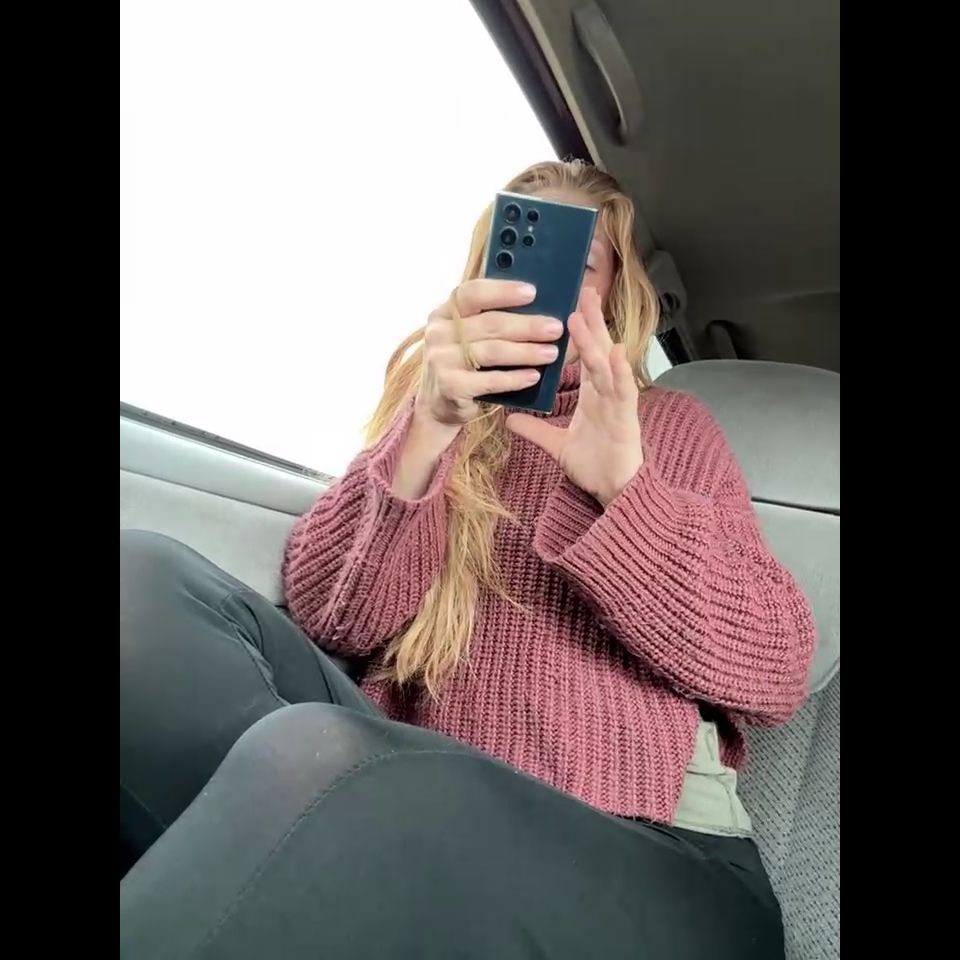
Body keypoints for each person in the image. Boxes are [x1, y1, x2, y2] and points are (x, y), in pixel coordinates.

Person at [120, 160, 815, 959]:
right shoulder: (435, 409)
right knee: (139, 587)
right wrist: (428, 429)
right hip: (412, 784)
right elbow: (334, 616)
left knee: (335, 771)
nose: (540, 285)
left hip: (657, 853)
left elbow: (777, 670)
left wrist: (626, 493)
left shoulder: (671, 425)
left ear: (615, 295)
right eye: (518, 256)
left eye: (577, 263)